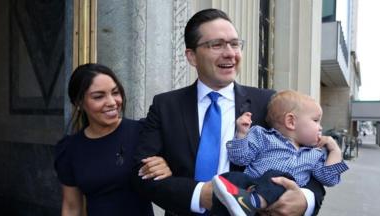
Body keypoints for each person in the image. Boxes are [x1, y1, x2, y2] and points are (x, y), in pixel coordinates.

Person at [133, 8, 325, 216]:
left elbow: (309, 158)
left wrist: (305, 201)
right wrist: (199, 195)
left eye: (234, 44)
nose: (230, 53)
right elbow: (141, 173)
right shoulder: (166, 106)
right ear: (192, 56)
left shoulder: (267, 103)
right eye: (216, 45)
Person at [54, 63, 172, 216]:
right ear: (79, 103)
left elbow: (181, 173)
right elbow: (71, 207)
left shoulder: (143, 132)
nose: (111, 102)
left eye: (115, 93)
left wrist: (167, 167)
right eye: (99, 96)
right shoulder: (69, 149)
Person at [211, 90, 349, 216]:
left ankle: (251, 203)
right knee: (230, 177)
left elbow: (328, 179)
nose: (321, 127)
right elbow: (240, 158)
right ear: (291, 121)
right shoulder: (262, 136)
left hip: (281, 198)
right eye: (316, 120)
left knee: (279, 177)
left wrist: (335, 151)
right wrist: (241, 134)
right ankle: (242, 202)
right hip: (251, 185)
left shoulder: (315, 154)